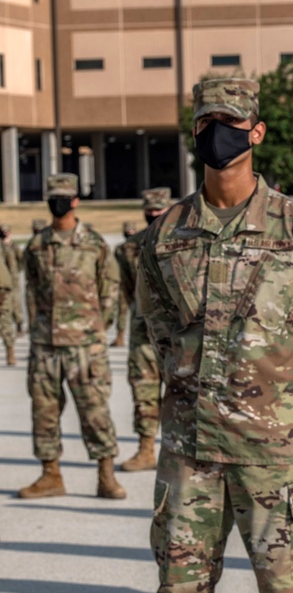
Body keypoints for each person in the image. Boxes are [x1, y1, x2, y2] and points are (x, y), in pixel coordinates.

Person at [137, 78, 293, 593]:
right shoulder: (165, 234)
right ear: (194, 134)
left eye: (232, 125)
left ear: (255, 131)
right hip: (191, 451)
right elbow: (157, 330)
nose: (219, 135)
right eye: (208, 125)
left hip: (276, 453)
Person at [17, 173, 125, 501]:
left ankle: (106, 475)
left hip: (85, 346)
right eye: (53, 196)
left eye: (64, 196)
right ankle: (51, 475)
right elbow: (32, 290)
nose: (58, 201)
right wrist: (37, 329)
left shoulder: (94, 243)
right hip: (45, 346)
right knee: (44, 410)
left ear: (76, 200)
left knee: (95, 411)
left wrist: (97, 328)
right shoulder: (36, 245)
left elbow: (110, 288)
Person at [115, 190, 171, 472]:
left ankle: (183, 456)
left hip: (177, 335)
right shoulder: (128, 249)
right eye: (149, 212)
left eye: (158, 212)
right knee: (143, 392)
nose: (152, 216)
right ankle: (146, 449)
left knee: (185, 396)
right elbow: (126, 289)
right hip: (143, 334)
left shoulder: (183, 243)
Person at [111, 222, 139, 347]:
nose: (129, 234)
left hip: (138, 284)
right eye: (127, 232)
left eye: (132, 231)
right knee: (121, 311)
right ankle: (120, 336)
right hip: (123, 284)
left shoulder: (140, 246)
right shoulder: (119, 249)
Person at [0, 223, 22, 364]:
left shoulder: (9, 247)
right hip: (5, 286)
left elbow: (16, 264)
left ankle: (10, 353)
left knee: (6, 321)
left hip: (3, 289)